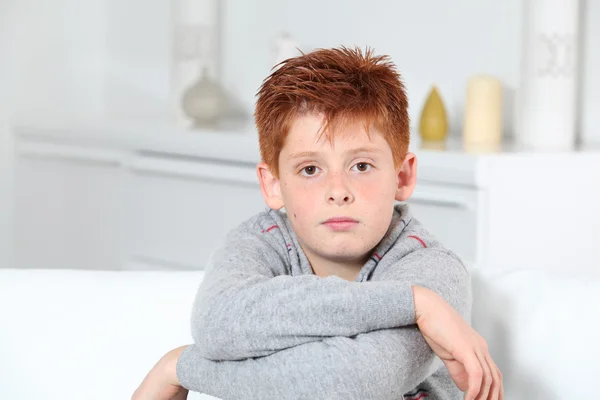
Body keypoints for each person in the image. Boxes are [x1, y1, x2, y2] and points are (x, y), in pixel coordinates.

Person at [133, 46, 503, 400]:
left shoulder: (433, 272)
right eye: (310, 169)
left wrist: (180, 367)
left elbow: (345, 383)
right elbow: (216, 324)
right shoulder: (259, 243)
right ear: (274, 185)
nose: (338, 191)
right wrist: (411, 304)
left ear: (402, 176)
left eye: (361, 166)